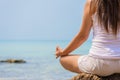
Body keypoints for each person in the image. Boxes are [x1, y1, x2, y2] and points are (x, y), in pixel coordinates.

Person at [55, 0, 120, 76]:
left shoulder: (92, 3)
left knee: (63, 59)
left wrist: (63, 52)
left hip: (99, 65)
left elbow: (82, 37)